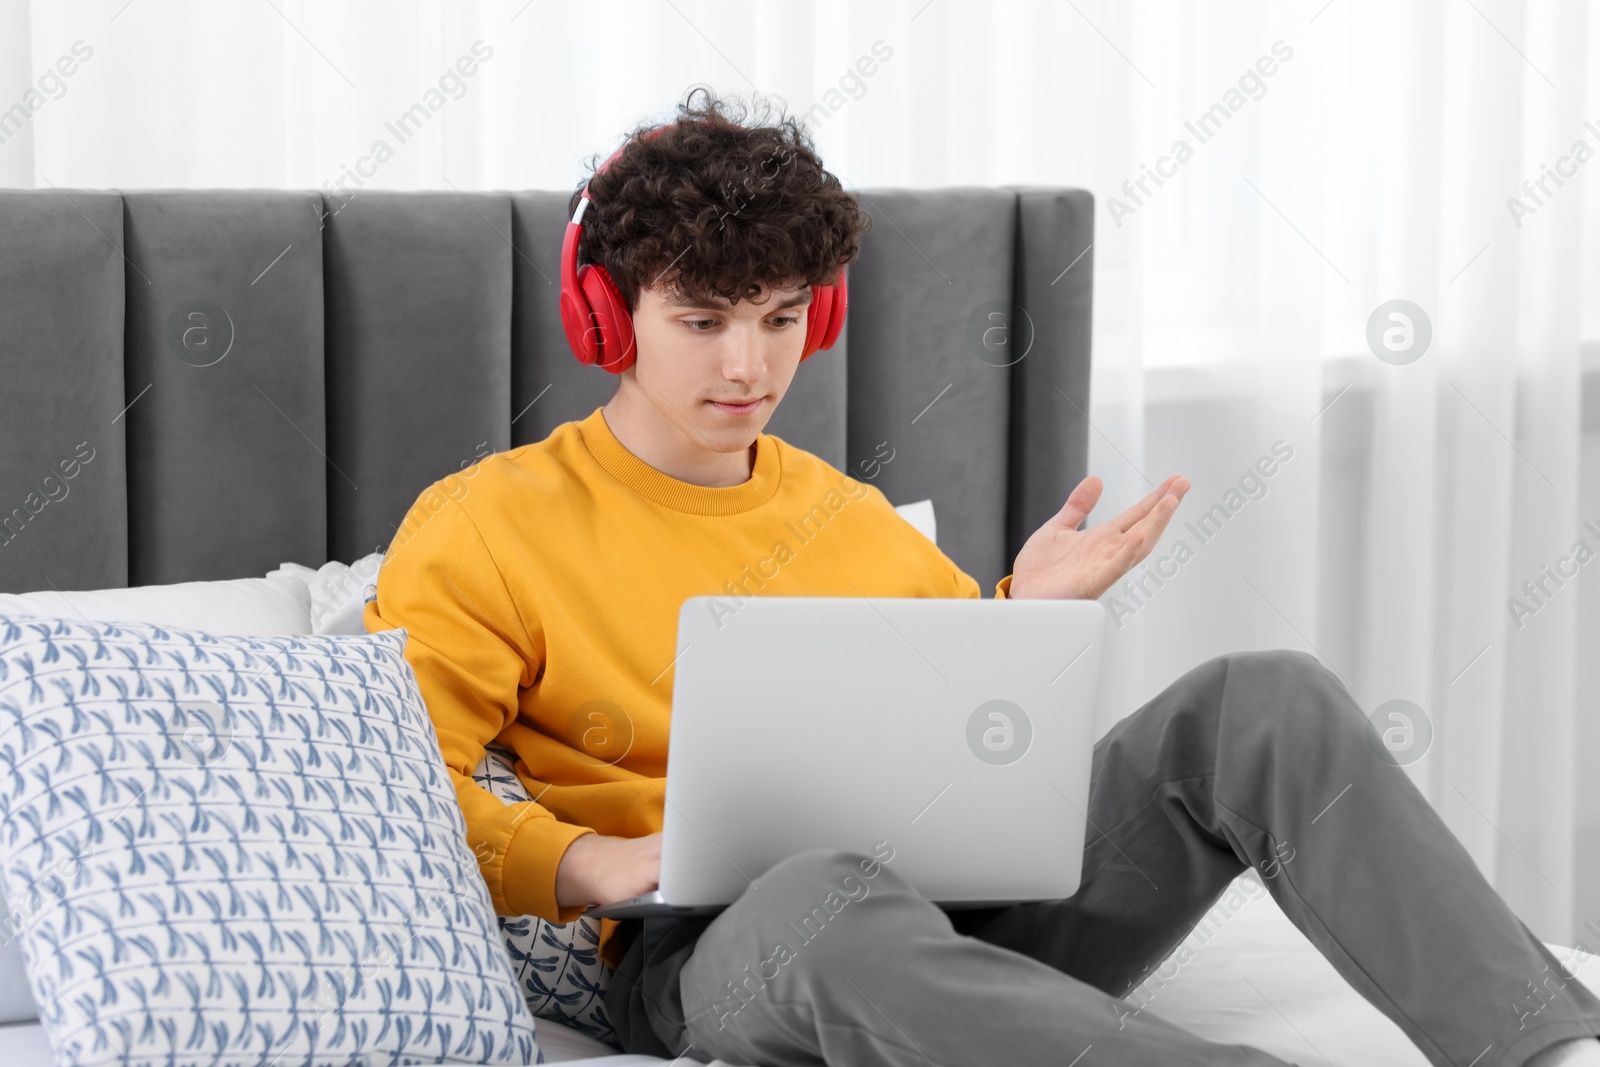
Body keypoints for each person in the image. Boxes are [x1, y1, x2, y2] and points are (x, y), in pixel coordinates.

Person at [364, 86, 1600, 1067]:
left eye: (782, 316)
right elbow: (393, 795)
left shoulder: (842, 515)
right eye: (701, 321)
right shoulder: (486, 521)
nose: (748, 363)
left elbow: (957, 745)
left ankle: (1548, 1047)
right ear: (606, 313)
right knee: (821, 887)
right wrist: (583, 861)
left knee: (1258, 696)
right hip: (725, 951)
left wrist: (1022, 621)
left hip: (966, 920)